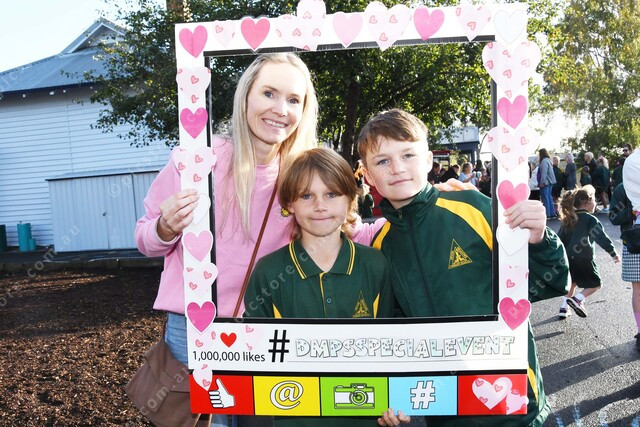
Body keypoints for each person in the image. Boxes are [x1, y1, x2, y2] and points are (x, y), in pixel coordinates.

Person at [135, 53, 384, 427]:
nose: (280, 109)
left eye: (293, 99)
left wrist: (425, 202)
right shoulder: (199, 160)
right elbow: (145, 237)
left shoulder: (300, 173)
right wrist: (164, 228)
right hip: (194, 329)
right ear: (246, 96)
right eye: (269, 93)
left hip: (267, 331)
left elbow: (347, 229)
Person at [356, 109, 570, 427]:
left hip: (513, 405)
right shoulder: (380, 246)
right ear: (369, 176)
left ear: (428, 160)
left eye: (407, 154)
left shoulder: (476, 209)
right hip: (445, 411)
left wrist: (539, 238)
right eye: (383, 161)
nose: (397, 168)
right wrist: (391, 395)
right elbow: (393, 334)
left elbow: (553, 282)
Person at [243, 147, 402, 426]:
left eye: (331, 194)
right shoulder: (268, 273)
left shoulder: (376, 265)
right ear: (290, 203)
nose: (320, 206)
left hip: (366, 417)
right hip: (293, 419)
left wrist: (396, 400)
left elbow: (393, 348)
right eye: (307, 196)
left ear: (350, 200)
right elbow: (254, 359)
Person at [557, 185, 620, 319]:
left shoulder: (569, 219)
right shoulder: (590, 219)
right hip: (584, 258)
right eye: (594, 200)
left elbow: (559, 240)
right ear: (587, 203)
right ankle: (578, 299)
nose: (596, 203)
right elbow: (601, 238)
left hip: (569, 258)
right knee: (596, 284)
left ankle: (564, 307)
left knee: (572, 283)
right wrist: (613, 253)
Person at [609, 182, 640, 351]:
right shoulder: (623, 188)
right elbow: (614, 217)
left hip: (633, 242)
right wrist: (632, 210)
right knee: (638, 289)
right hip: (635, 243)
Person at [538, 148, 557, 218]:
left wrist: (541, 182)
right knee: (549, 197)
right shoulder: (549, 160)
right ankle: (552, 213)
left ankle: (547, 214)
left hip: (546, 182)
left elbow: (544, 173)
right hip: (551, 181)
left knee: (545, 198)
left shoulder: (544, 161)